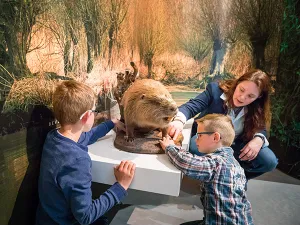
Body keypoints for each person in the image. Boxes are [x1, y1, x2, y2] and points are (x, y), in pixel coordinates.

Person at [36, 80, 136, 225]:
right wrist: (121, 186)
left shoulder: (53, 137)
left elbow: (86, 136)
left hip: (47, 218)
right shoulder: (77, 160)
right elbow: (85, 216)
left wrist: (112, 123)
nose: (95, 115)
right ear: (86, 116)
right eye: (94, 111)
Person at [168, 69, 278, 180]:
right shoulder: (215, 91)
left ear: (259, 97)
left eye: (250, 96)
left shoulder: (258, 107)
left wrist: (259, 139)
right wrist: (178, 121)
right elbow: (190, 107)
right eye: (241, 90)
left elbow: (261, 128)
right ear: (237, 83)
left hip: (237, 143)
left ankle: (235, 179)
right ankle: (211, 178)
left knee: (269, 161)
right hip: (208, 135)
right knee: (197, 146)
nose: (242, 97)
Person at [160, 114, 253, 225]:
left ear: (215, 137)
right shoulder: (234, 164)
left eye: (199, 136)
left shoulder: (217, 162)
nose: (196, 140)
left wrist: (169, 147)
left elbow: (188, 163)